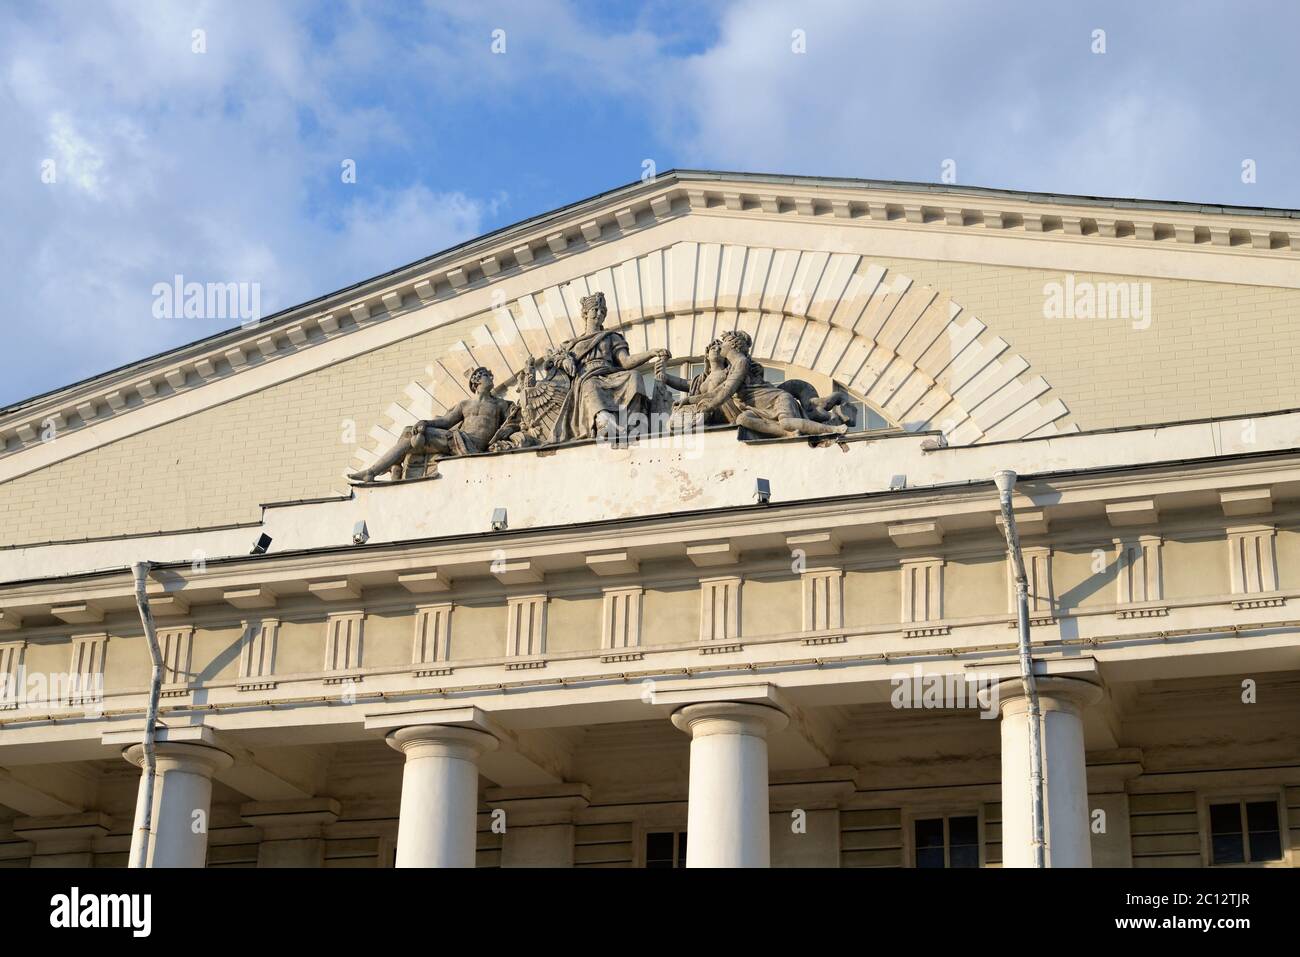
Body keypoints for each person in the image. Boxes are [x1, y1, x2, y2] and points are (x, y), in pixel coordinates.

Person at [347, 366, 515, 482]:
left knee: (411, 434)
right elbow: (446, 422)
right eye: (487, 376)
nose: (491, 378)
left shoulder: (500, 404)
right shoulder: (465, 404)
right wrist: (425, 422)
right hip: (457, 440)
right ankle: (385, 469)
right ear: (476, 381)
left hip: (473, 445)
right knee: (409, 431)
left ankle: (382, 470)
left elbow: (513, 422)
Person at [554, 292, 670, 441]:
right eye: (595, 310)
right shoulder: (572, 344)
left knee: (634, 376)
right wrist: (564, 361)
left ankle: (632, 424)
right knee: (590, 383)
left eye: (602, 311)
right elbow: (556, 362)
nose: (599, 314)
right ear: (585, 313)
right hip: (588, 376)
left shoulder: (611, 337)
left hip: (610, 373)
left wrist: (651, 353)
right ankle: (603, 421)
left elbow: (626, 362)